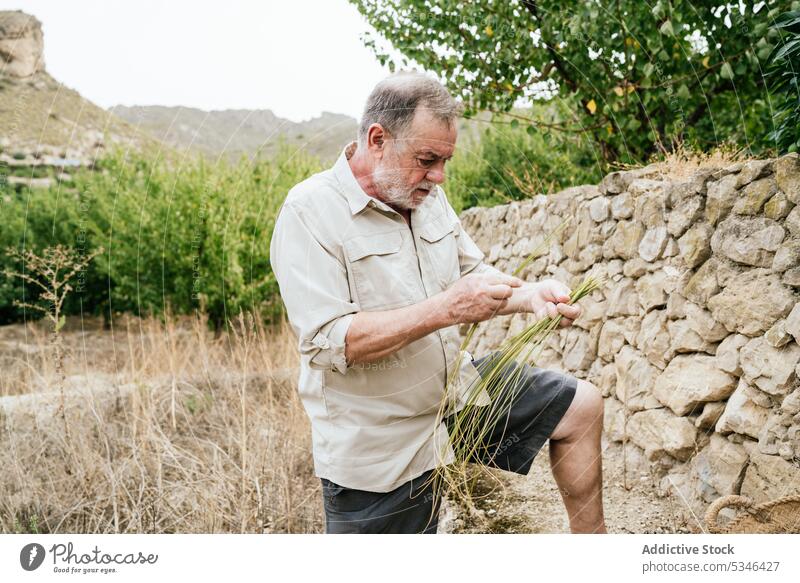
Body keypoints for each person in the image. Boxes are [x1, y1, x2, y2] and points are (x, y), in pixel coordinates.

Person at [269, 71, 607, 534]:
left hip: (456, 396)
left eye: (445, 160)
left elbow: (471, 274)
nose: (439, 176)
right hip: (380, 446)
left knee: (581, 407)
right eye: (427, 159)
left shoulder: (427, 197)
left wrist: (531, 295)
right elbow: (330, 341)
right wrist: (446, 309)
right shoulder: (309, 212)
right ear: (377, 139)